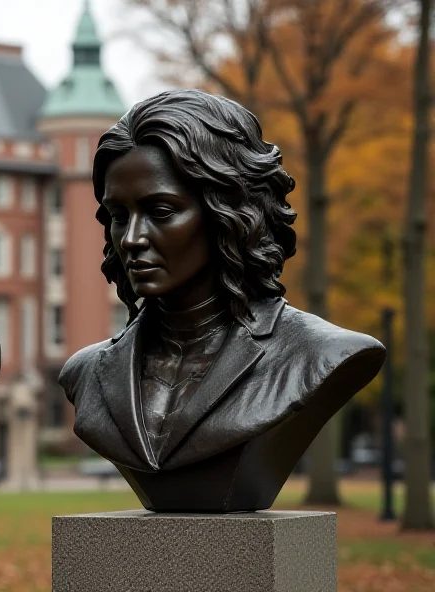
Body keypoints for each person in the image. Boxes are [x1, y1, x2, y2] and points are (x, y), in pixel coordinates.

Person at [59, 90, 385, 512]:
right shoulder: (86, 373)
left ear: (229, 213)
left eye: (160, 211)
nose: (132, 239)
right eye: (119, 216)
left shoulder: (321, 353)